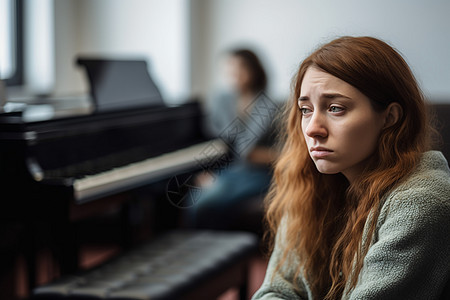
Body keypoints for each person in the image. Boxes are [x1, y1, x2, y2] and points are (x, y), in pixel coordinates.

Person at [253, 36, 450, 299]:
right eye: (305, 109)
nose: (312, 129)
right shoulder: (309, 186)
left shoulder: (423, 203)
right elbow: (276, 290)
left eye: (335, 108)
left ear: (390, 118)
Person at [187, 49, 279, 230]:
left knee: (209, 202)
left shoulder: (268, 105)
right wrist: (206, 171)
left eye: (241, 67)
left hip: (257, 174)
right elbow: (213, 140)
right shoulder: (221, 100)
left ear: (254, 70)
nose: (235, 72)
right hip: (225, 171)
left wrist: (258, 155)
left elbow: (281, 152)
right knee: (196, 200)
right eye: (230, 67)